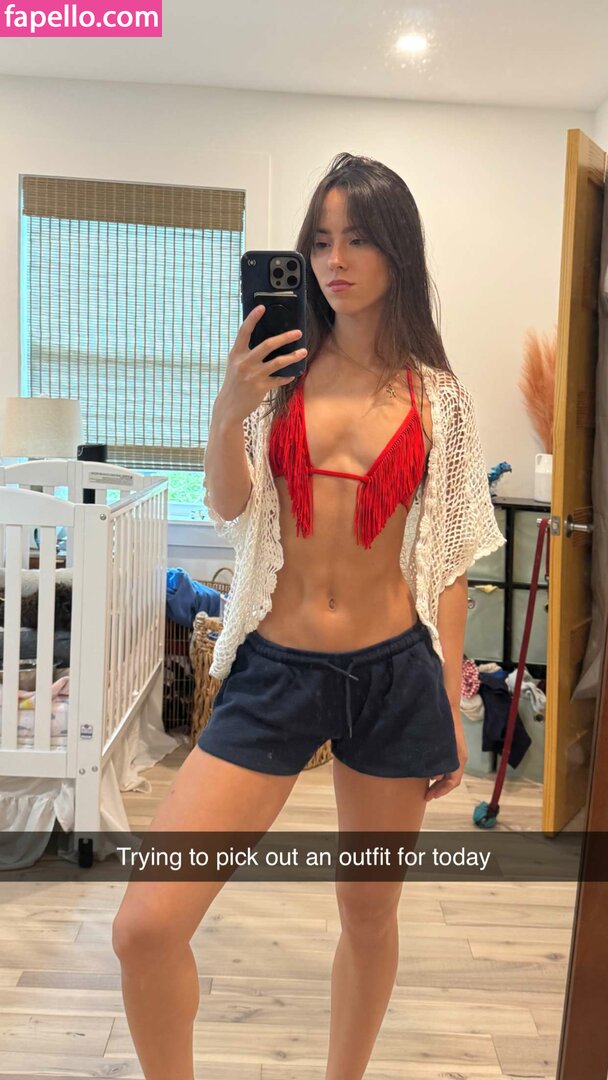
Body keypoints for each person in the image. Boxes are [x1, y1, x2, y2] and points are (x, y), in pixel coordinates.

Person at [112, 152, 506, 1080]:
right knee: (145, 926)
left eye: (358, 239)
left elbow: (449, 559)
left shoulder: (440, 399)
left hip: (393, 675)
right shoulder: (278, 375)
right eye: (321, 241)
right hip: (276, 671)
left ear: (397, 251)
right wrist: (228, 409)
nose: (335, 260)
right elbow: (229, 504)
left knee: (368, 912)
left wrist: (450, 704)